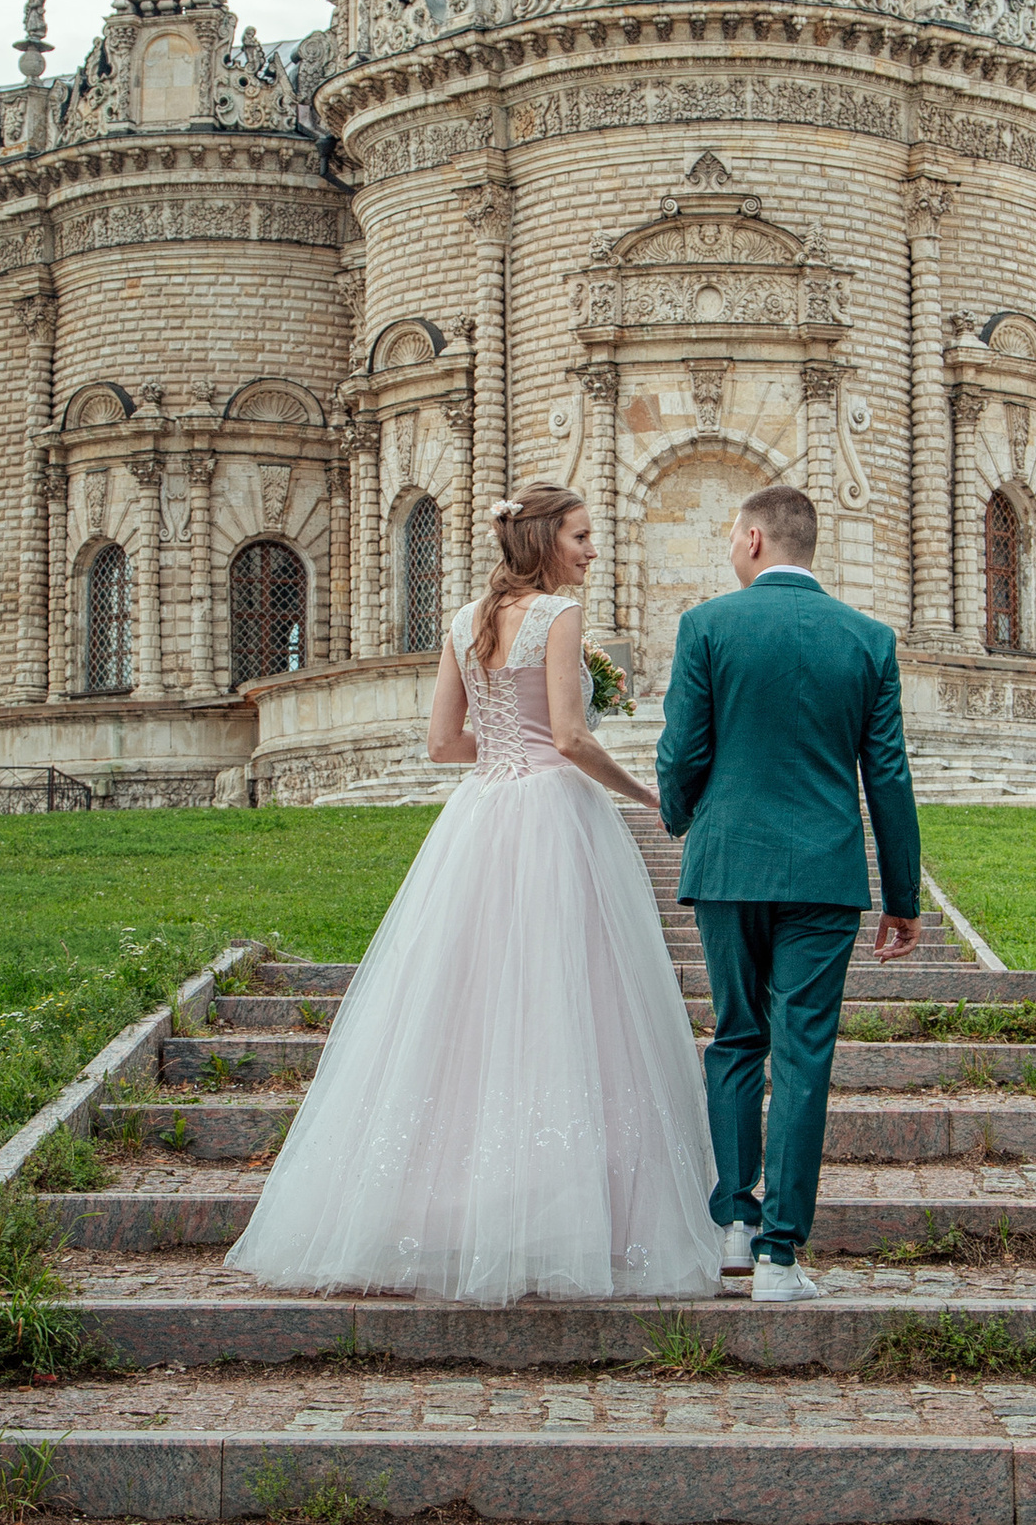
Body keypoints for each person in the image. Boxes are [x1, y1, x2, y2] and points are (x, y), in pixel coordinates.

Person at [226, 481, 719, 1304]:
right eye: (582, 537)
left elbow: (440, 743)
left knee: (466, 1006)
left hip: (482, 813)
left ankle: (455, 1205)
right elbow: (569, 737)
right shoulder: (558, 621)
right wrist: (649, 796)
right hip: (555, 816)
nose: (593, 550)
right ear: (545, 545)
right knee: (566, 1001)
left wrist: (501, 752)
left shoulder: (463, 622)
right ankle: (562, 1208)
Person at [654, 482, 922, 1303]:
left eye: (736, 536)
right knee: (804, 1052)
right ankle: (780, 1257)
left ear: (758, 541)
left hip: (730, 863)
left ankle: (733, 1224)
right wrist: (901, 895)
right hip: (826, 872)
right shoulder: (869, 640)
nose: (732, 548)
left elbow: (680, 751)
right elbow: (887, 775)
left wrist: (683, 818)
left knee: (736, 1038)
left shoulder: (706, 626)